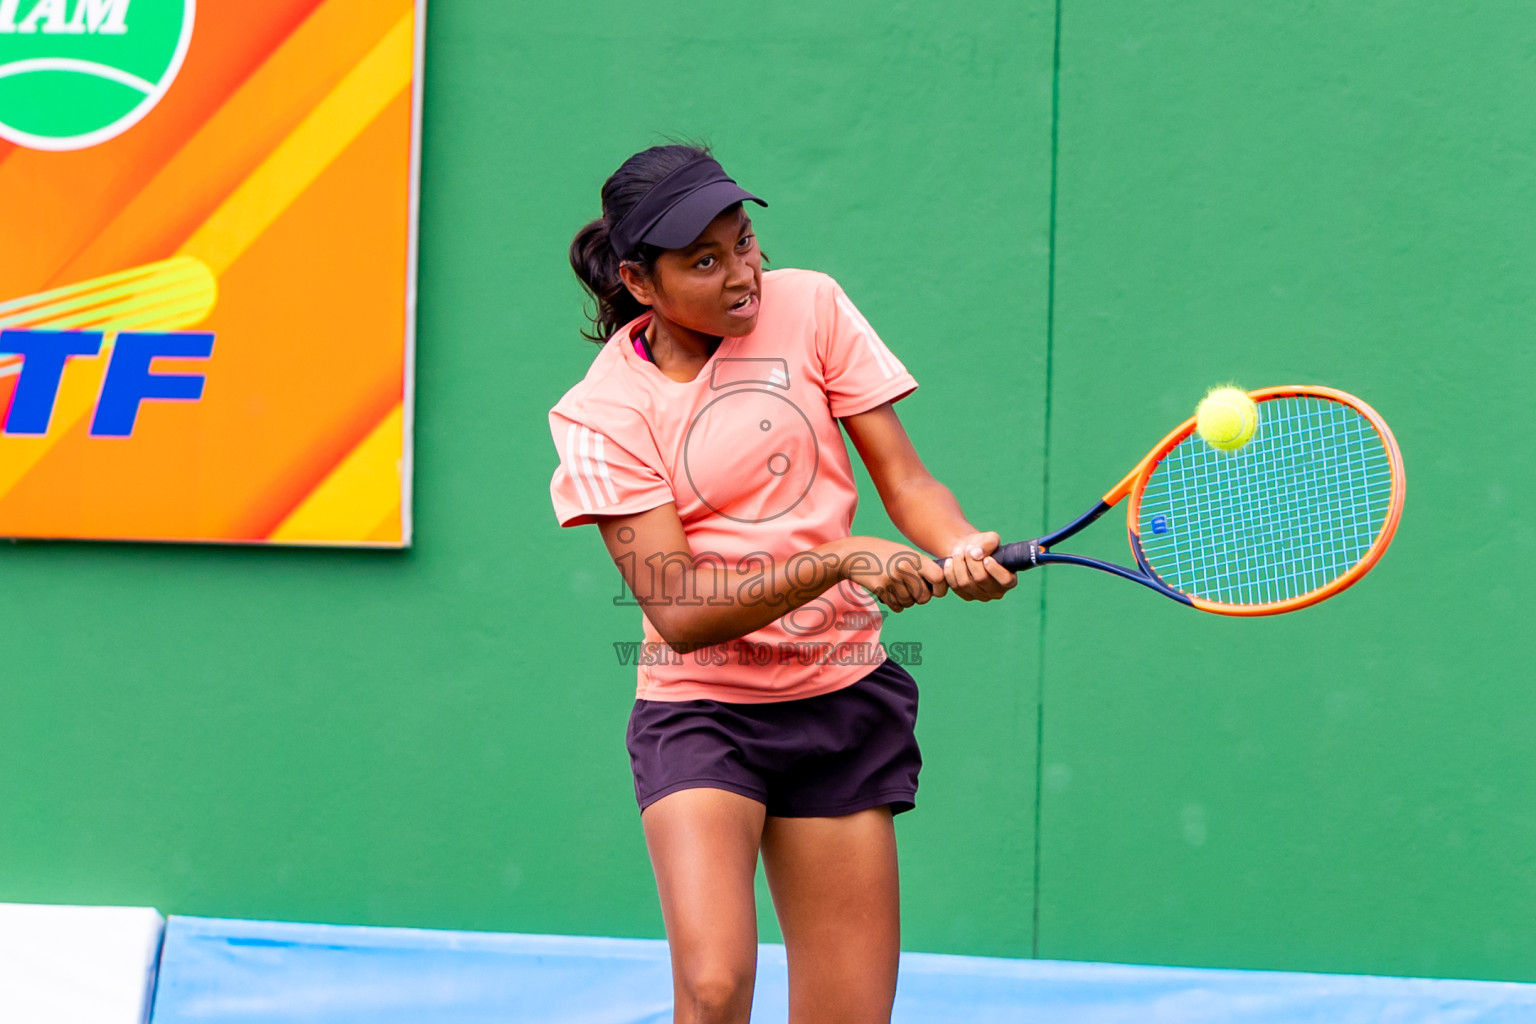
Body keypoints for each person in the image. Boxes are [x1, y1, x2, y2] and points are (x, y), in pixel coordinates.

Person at [549, 144, 1017, 1024]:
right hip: (701, 712)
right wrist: (842, 560)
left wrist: (959, 545)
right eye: (705, 261)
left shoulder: (812, 306)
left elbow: (906, 481)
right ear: (639, 284)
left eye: (746, 242)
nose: (742, 275)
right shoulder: (601, 413)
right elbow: (679, 610)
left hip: (839, 701)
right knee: (716, 985)